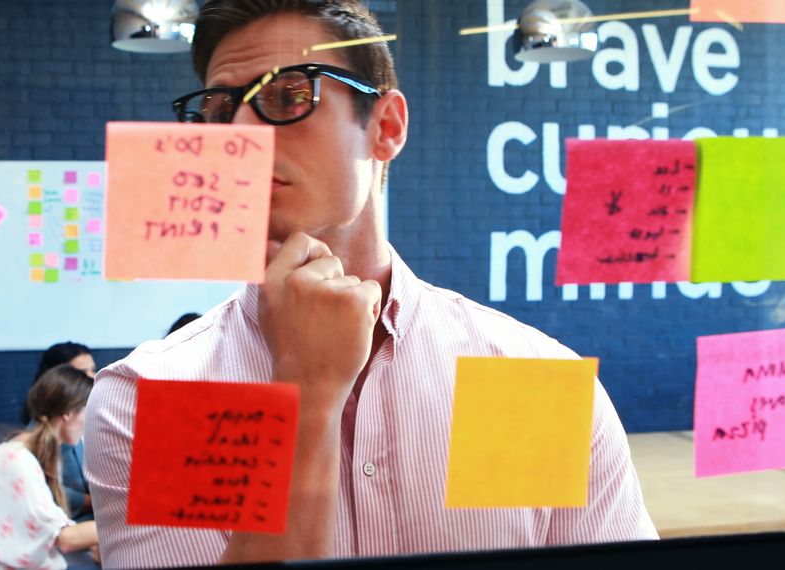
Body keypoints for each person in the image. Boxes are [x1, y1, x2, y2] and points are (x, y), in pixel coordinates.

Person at [84, 1, 658, 567]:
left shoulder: (530, 380)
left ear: (386, 127)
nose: (241, 134)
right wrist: (304, 395)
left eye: (287, 95)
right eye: (218, 109)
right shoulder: (155, 396)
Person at [0, 364, 100, 568]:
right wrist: (126, 525)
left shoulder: (30, 454)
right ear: (69, 413)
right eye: (87, 411)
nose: (90, 421)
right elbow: (64, 538)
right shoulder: (17, 460)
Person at [24, 342, 97, 522]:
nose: (92, 379)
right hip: (74, 520)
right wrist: (97, 501)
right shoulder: (35, 442)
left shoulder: (88, 418)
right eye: (81, 374)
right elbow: (48, 492)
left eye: (93, 370)